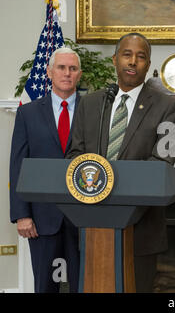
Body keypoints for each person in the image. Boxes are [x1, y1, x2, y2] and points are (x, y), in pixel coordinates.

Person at [66, 33, 175, 292]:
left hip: (141, 228)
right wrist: (95, 185)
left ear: (148, 65)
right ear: (115, 59)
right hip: (94, 223)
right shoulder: (92, 103)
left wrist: (114, 185)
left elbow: (162, 162)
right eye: (127, 55)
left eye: (141, 57)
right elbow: (75, 156)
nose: (133, 62)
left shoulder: (166, 107)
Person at [10, 47, 82, 293]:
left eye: (72, 68)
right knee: (45, 286)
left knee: (84, 285)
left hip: (84, 218)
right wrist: (22, 214)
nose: (67, 73)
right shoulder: (27, 113)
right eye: (61, 68)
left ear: (79, 74)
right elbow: (18, 165)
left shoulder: (94, 111)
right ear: (49, 72)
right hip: (41, 220)